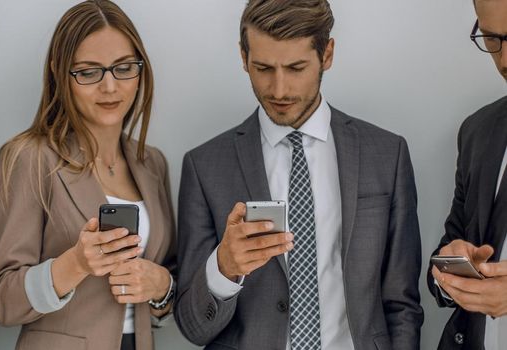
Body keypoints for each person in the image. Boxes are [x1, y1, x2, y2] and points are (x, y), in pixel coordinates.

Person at [174, 0, 423, 349]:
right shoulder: (204, 166)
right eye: (263, 68)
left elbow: (403, 305)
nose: (279, 90)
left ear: (328, 54)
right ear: (243, 57)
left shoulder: (387, 154)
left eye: (296, 68)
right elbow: (192, 327)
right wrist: (224, 268)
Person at [0, 1, 176, 349]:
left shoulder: (152, 164)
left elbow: (166, 286)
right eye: (89, 72)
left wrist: (162, 286)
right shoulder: (30, 158)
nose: (109, 87)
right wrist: (74, 263)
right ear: (62, 74)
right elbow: (1, 301)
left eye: (123, 68)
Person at [428, 0, 507, 348]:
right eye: (492, 39)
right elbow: (448, 248)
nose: (504, 61)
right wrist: (451, 266)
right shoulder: (477, 131)